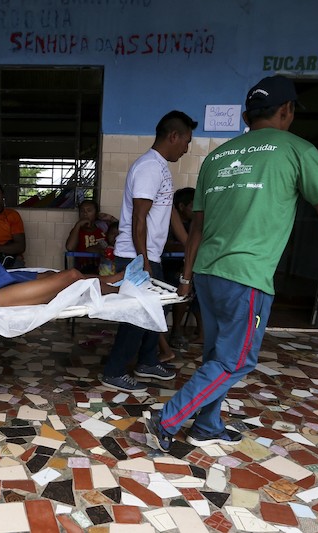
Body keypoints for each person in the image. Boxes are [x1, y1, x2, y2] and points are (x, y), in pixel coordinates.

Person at [146, 75, 318, 452]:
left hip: (208, 274)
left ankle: (207, 424)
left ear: (246, 115)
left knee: (218, 356)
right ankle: (168, 419)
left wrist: (187, 277)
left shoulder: (216, 158)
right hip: (245, 277)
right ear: (286, 111)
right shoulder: (297, 149)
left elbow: (197, 228)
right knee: (236, 361)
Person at [101, 111, 198, 393]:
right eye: (187, 141)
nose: (186, 148)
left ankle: (146, 361)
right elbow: (139, 217)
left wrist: (191, 245)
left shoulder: (160, 168)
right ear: (173, 136)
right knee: (137, 317)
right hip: (136, 257)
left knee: (154, 313)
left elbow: (169, 215)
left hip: (146, 256)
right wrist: (142, 260)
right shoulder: (148, 167)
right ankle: (114, 371)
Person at [162, 187, 203, 348]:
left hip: (189, 270)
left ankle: (202, 333)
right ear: (181, 206)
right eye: (193, 205)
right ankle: (176, 331)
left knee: (202, 289)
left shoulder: (197, 223)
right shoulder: (168, 221)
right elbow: (167, 245)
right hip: (169, 269)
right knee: (182, 287)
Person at [65, 199, 116, 274]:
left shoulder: (102, 231)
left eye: (89, 210)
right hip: (81, 271)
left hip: (102, 271)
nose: (85, 213)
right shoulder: (77, 231)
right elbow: (70, 247)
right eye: (82, 211)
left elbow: (109, 244)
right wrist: (78, 225)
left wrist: (110, 218)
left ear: (96, 214)